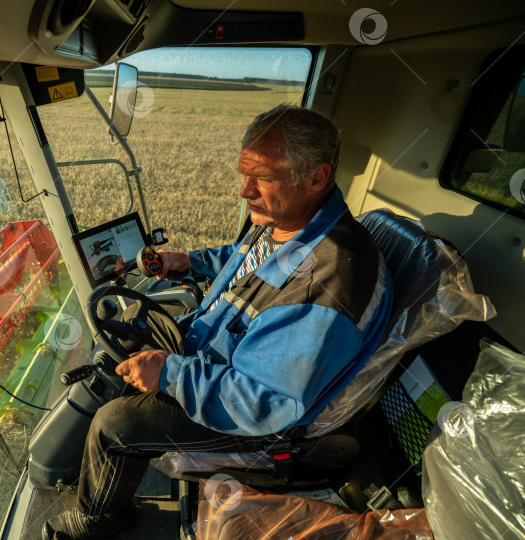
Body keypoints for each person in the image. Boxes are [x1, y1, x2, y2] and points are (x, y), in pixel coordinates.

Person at [42, 104, 393, 540]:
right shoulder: (287, 220)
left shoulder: (326, 279)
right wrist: (191, 261)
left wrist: (169, 373)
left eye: (261, 177)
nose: (244, 192)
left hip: (255, 423)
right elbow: (247, 260)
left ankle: (101, 519)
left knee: (115, 426)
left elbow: (269, 404)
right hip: (218, 358)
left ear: (317, 178)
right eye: (244, 175)